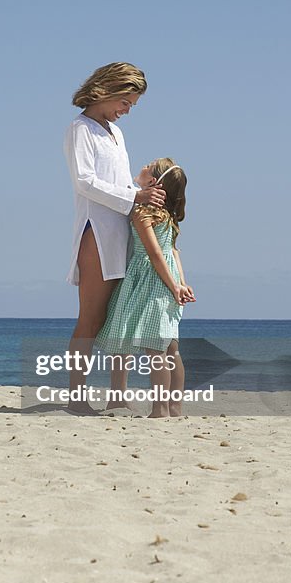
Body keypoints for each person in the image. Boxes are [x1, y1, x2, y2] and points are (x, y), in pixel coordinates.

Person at [64, 62, 166, 414]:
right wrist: (134, 198)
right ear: (108, 90)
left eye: (132, 105)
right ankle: (76, 399)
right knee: (90, 317)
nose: (127, 111)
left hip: (122, 231)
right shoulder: (80, 129)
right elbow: (85, 182)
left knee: (115, 316)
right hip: (96, 230)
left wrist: (142, 197)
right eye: (126, 102)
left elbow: (120, 182)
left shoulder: (115, 134)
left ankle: (115, 396)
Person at [94, 158, 196, 417]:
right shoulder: (169, 215)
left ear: (153, 182)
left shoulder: (143, 213)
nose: (143, 166)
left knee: (155, 347)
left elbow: (155, 254)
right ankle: (174, 407)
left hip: (149, 280)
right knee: (170, 347)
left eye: (148, 166)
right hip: (166, 280)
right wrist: (182, 284)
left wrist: (175, 286)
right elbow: (173, 253)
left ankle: (160, 409)